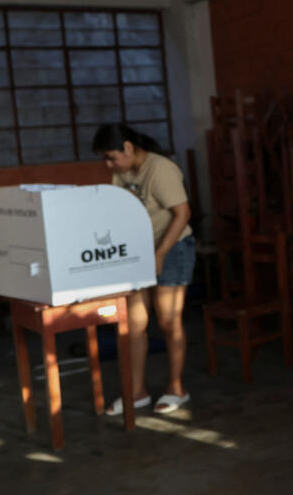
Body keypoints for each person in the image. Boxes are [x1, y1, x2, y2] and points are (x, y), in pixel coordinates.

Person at [93, 124, 195, 415]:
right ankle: (136, 392)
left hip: (173, 248)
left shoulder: (160, 169)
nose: (108, 165)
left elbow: (183, 214)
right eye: (105, 159)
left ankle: (177, 388)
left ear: (128, 147)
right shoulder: (122, 172)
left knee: (168, 321)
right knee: (134, 325)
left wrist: (160, 254)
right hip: (139, 250)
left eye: (111, 157)